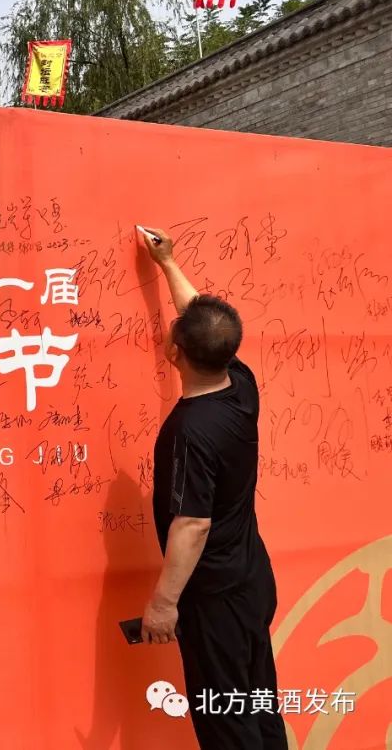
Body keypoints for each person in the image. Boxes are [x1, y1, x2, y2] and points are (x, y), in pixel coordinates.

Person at [138, 227, 288, 750]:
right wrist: (168, 263)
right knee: (259, 703)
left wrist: (163, 603)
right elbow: (203, 321)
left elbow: (193, 523)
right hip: (252, 580)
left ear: (173, 352)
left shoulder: (188, 431)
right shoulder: (240, 388)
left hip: (215, 599)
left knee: (228, 723)